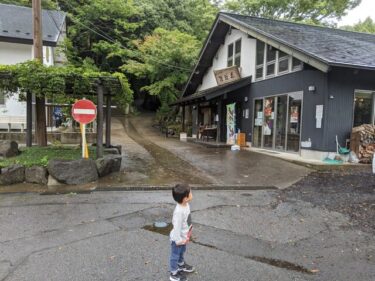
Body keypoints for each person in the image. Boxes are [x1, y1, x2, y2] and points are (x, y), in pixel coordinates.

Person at [169, 184, 194, 281]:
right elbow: (176, 228)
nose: (192, 193)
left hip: (184, 236)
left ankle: (181, 265)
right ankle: (173, 273)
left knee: (182, 252)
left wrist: (189, 231)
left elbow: (187, 220)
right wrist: (178, 241)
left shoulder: (186, 205)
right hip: (177, 240)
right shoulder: (179, 212)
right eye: (190, 193)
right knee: (175, 256)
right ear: (185, 198)